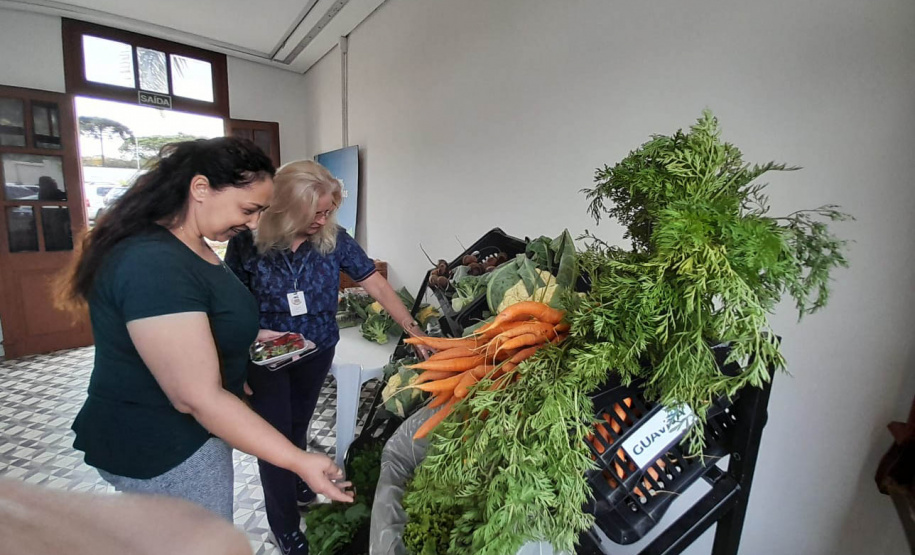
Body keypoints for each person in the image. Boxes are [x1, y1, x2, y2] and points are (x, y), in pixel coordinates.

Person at [57, 138, 354, 541]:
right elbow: (195, 396)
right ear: (200, 189)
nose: (252, 223)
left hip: (193, 437)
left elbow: (201, 320)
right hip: (164, 446)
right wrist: (298, 460)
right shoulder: (154, 262)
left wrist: (241, 349)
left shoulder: (190, 245)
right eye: (248, 210)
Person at [225, 160, 425, 553]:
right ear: (285, 207)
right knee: (274, 439)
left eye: (329, 210)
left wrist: (411, 326)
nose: (323, 219)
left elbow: (374, 282)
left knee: (298, 422)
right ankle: (284, 526)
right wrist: (234, 358)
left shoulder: (335, 239)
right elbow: (228, 304)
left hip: (316, 349)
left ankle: (299, 476)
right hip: (265, 357)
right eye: (315, 212)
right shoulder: (247, 243)